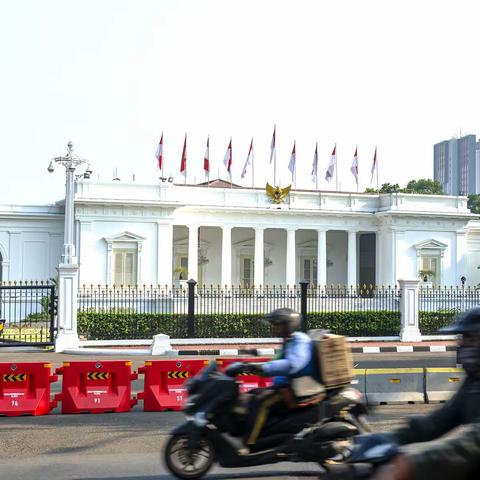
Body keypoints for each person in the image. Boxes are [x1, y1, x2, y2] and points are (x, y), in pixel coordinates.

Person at [368, 307, 480, 480]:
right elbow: (436, 422)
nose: (462, 346)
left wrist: (412, 463)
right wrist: (381, 441)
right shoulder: (473, 382)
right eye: (462, 339)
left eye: (470, 339)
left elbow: (471, 444)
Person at [227, 307, 324, 454]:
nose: (274, 328)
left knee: (261, 401)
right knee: (250, 395)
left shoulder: (300, 341)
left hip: (294, 388)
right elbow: (278, 359)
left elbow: (293, 364)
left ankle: (249, 444)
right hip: (284, 385)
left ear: (288, 325)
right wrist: (253, 356)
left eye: (277, 324)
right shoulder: (289, 340)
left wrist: (264, 369)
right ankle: (258, 431)